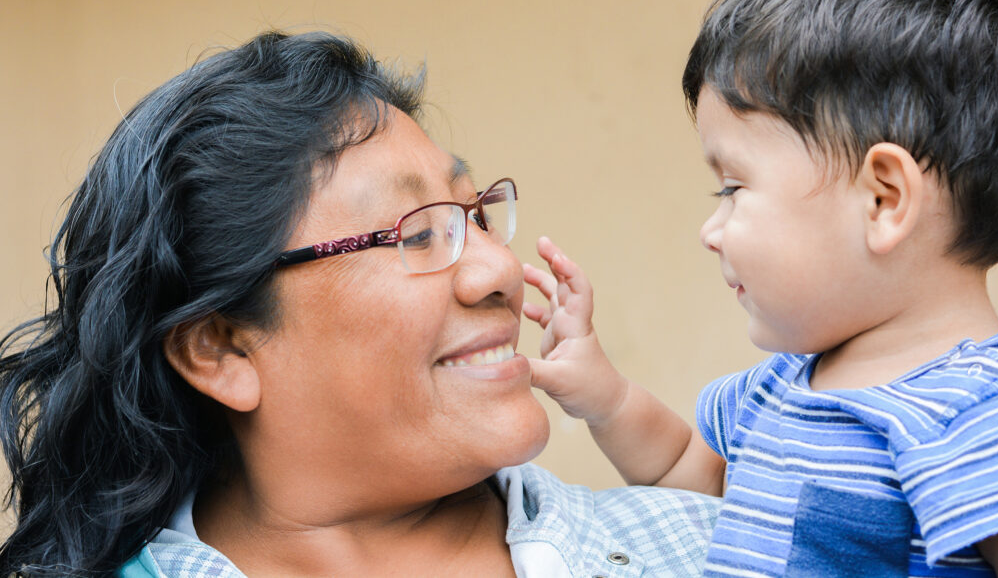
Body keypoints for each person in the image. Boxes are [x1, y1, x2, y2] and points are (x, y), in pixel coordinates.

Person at [0, 31, 719, 577]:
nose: (499, 269)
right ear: (220, 348)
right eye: (417, 233)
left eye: (477, 216)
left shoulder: (709, 549)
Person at [524, 0, 998, 577]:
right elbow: (689, 476)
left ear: (884, 200)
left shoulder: (984, 413)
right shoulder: (778, 389)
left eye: (732, 187)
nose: (712, 229)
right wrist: (606, 397)